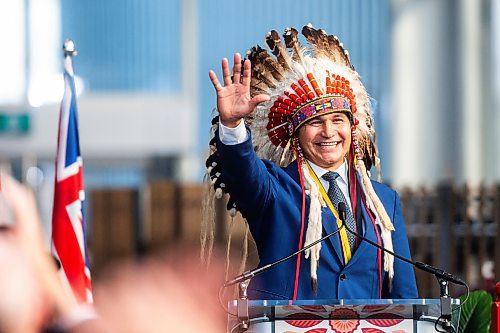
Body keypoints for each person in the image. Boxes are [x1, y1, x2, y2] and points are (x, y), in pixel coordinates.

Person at [205, 25, 418, 300]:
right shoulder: (275, 189)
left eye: (338, 120)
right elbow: (242, 171)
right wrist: (232, 124)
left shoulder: (383, 200)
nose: (328, 132)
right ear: (295, 134)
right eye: (315, 122)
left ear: (352, 129)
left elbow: (404, 294)